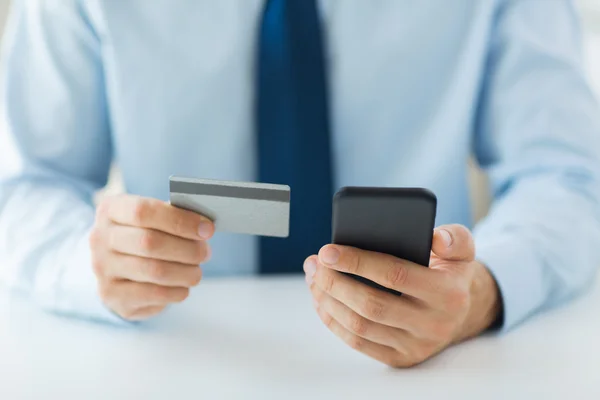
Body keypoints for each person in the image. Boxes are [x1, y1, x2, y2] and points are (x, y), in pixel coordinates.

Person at [1, 0, 599, 368]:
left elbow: (566, 176)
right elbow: (30, 181)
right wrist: (91, 264)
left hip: (421, 370)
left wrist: (482, 292)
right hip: (173, 354)